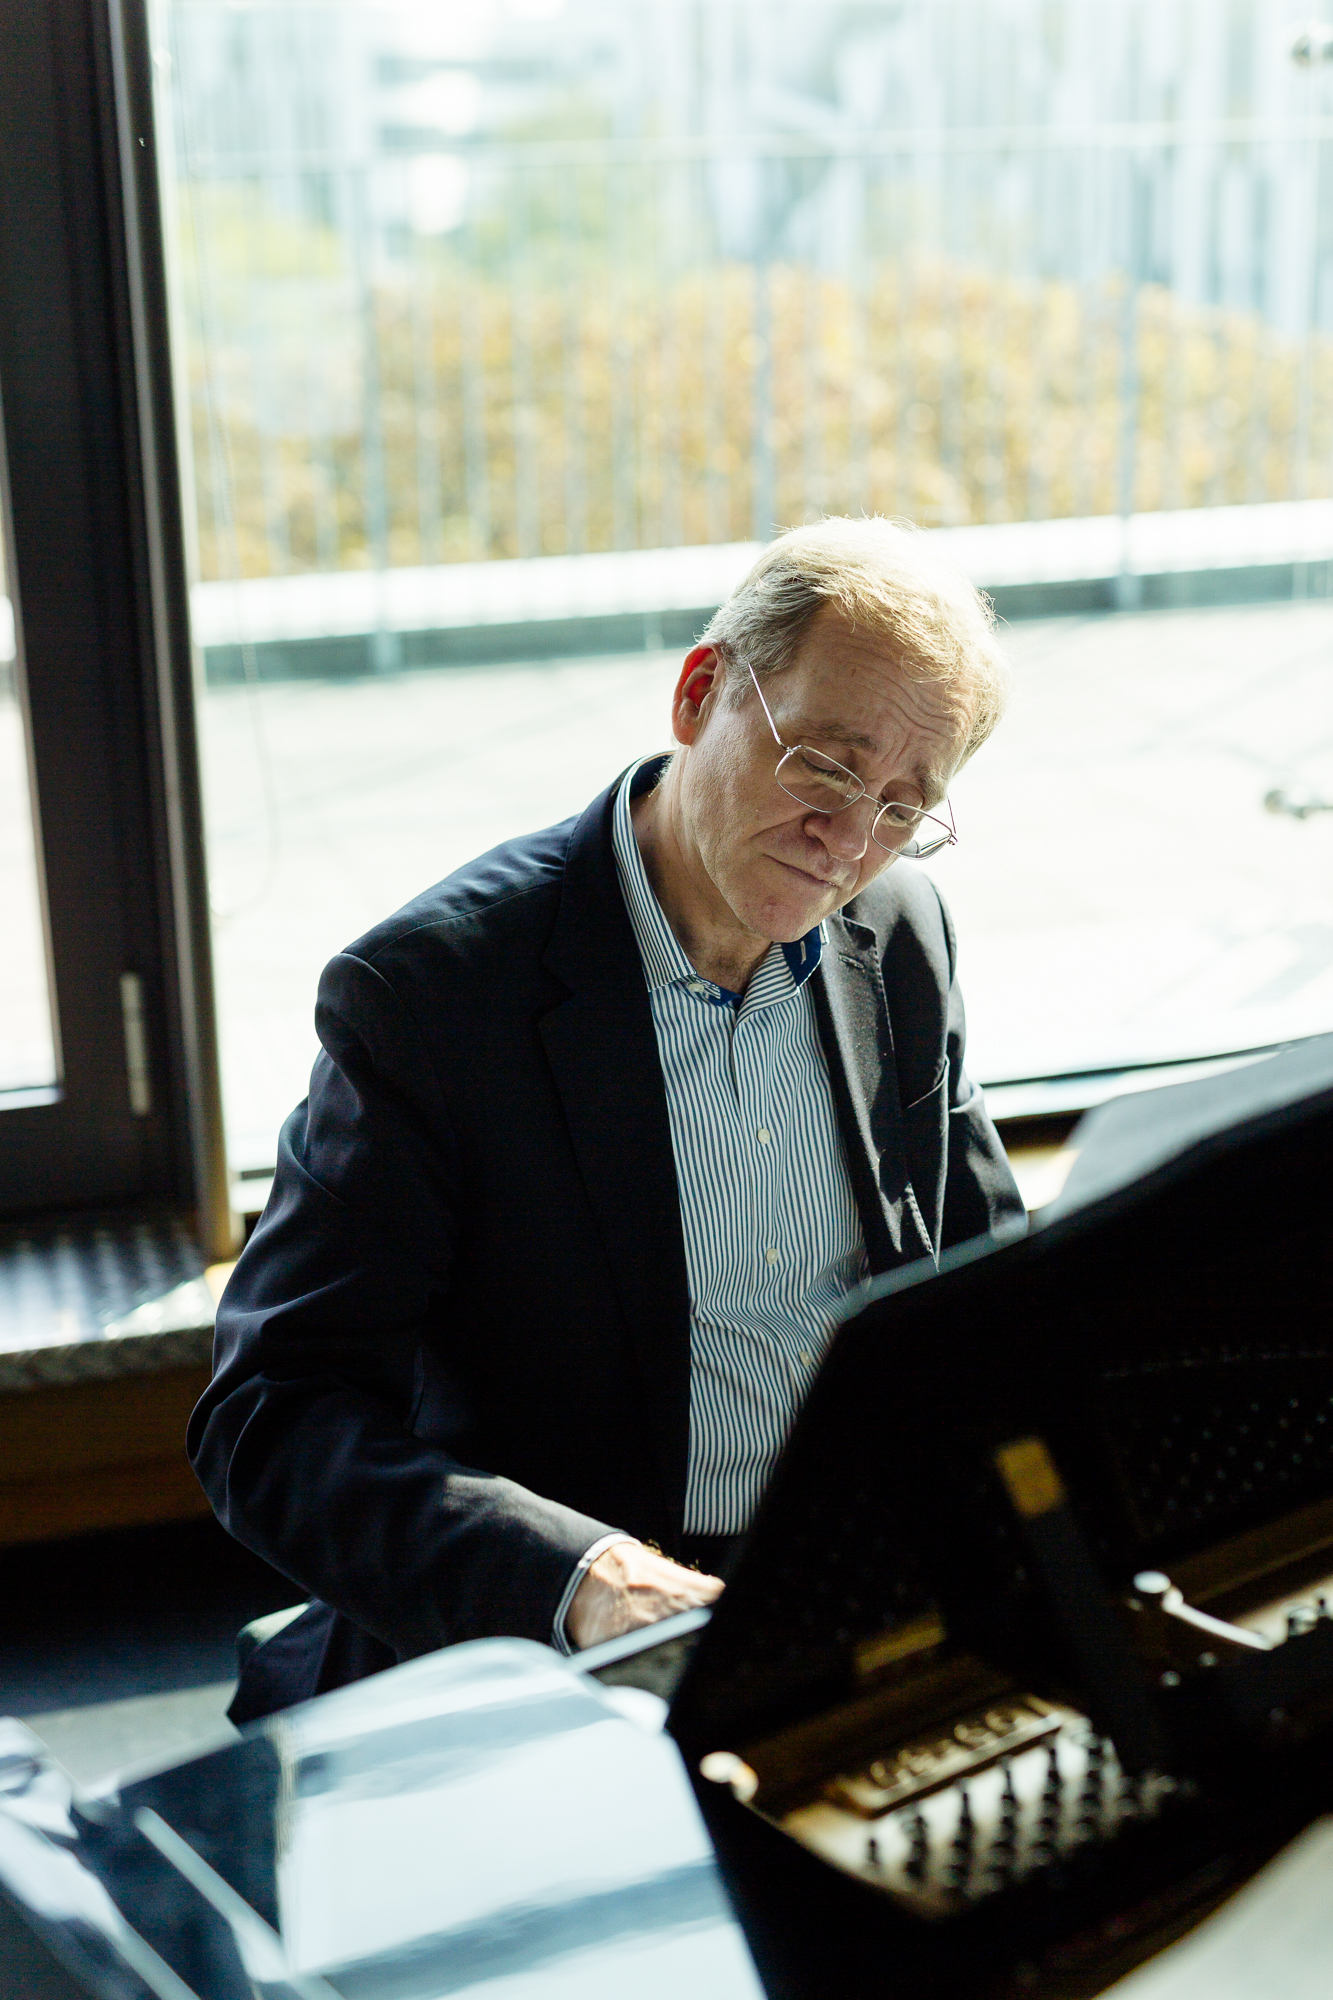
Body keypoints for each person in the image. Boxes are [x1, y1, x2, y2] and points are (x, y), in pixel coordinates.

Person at [190, 517, 1025, 1722]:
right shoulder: (434, 997)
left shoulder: (899, 933)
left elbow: (982, 1281)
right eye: (828, 767)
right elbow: (272, 1416)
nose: (848, 843)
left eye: (902, 804)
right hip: (580, 1621)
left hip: (854, 1581)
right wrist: (580, 1576)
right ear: (699, 694)